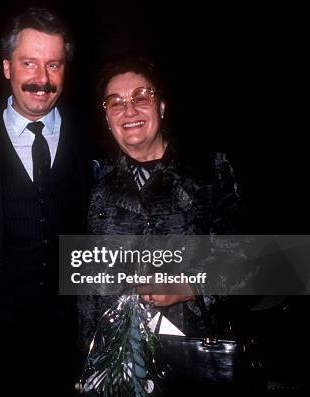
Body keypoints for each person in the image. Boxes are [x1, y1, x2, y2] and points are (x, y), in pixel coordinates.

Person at [77, 56, 245, 393]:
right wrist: (87, 364)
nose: (130, 110)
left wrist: (192, 287)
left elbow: (251, 261)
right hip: (117, 364)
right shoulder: (91, 182)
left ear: (162, 106)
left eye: (141, 97)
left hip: (193, 357)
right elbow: (84, 287)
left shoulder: (209, 171)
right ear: (107, 117)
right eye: (116, 103)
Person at [0, 7, 89, 396]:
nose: (42, 79)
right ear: (7, 67)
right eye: (29, 63)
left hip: (74, 341)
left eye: (54, 65)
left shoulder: (94, 139)